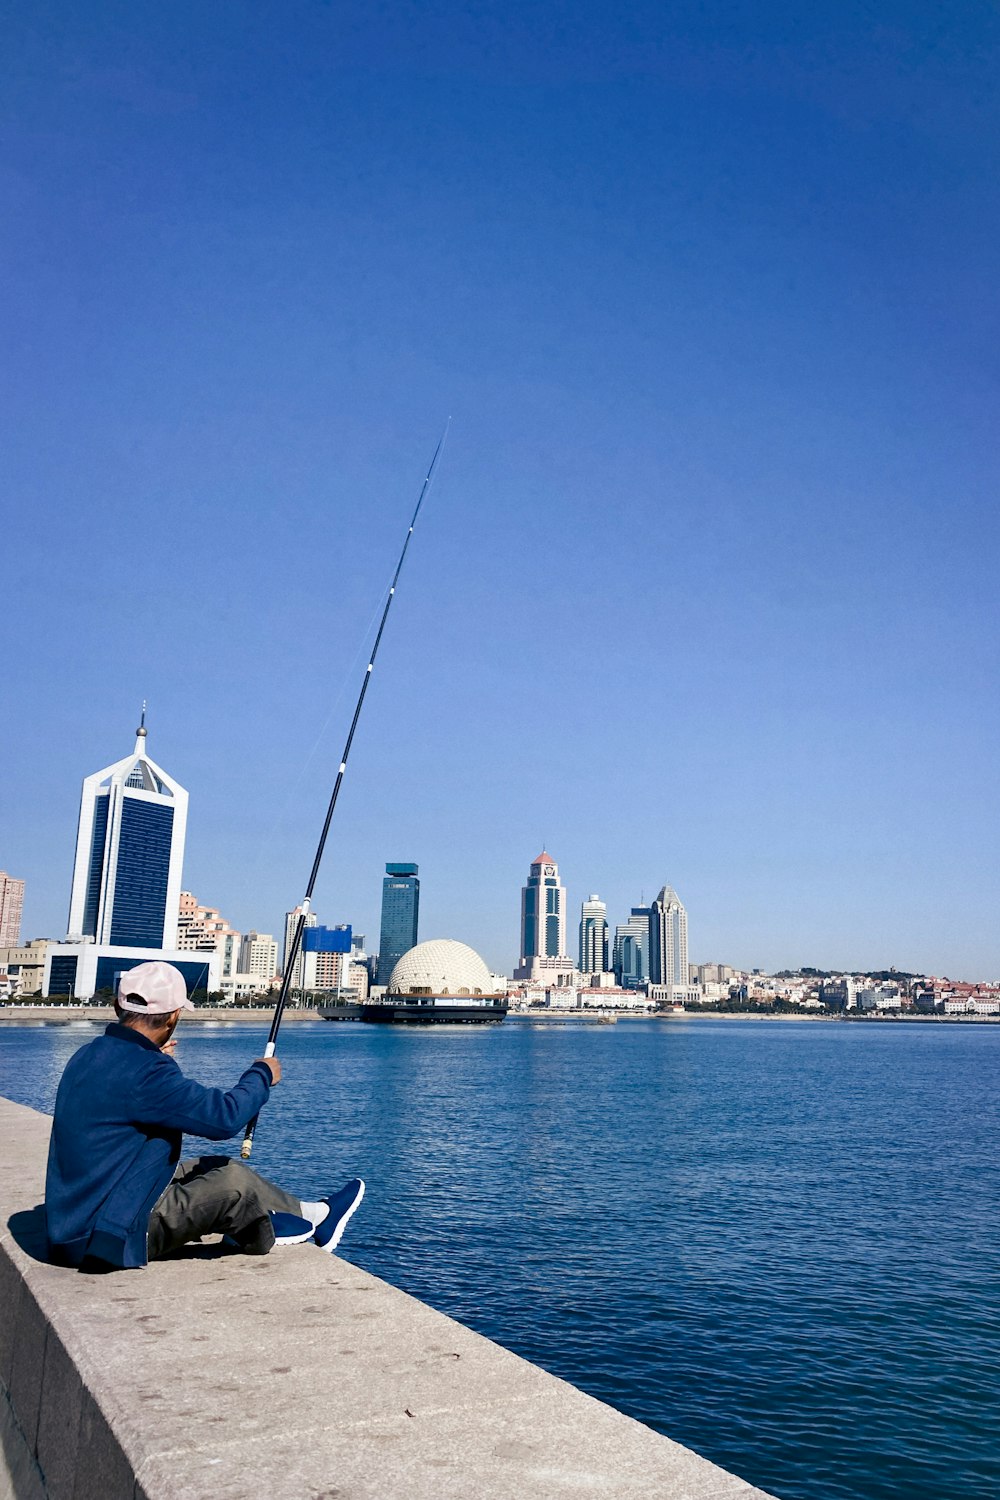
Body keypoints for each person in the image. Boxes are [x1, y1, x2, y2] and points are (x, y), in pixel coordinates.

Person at [45, 960, 364, 1271]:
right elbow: (223, 1118)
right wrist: (261, 1074)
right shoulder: (145, 1071)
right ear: (172, 1017)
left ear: (118, 1006)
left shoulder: (89, 1055)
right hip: (106, 1233)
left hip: (81, 1219)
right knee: (233, 1184)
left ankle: (315, 1215)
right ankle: (260, 1232)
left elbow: (135, 1096)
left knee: (216, 1165)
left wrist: (152, 1057)